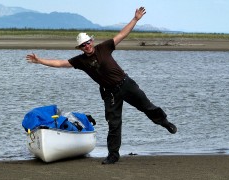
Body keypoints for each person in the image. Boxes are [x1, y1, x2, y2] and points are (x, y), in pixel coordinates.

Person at [26, 7, 177, 165]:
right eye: (83, 45)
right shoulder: (80, 61)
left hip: (126, 84)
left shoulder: (104, 47)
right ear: (81, 48)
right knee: (114, 123)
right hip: (109, 93)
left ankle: (164, 122)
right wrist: (40, 60)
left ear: (92, 41)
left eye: (88, 42)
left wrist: (135, 19)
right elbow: (60, 63)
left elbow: (122, 34)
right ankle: (113, 155)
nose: (87, 46)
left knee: (147, 106)